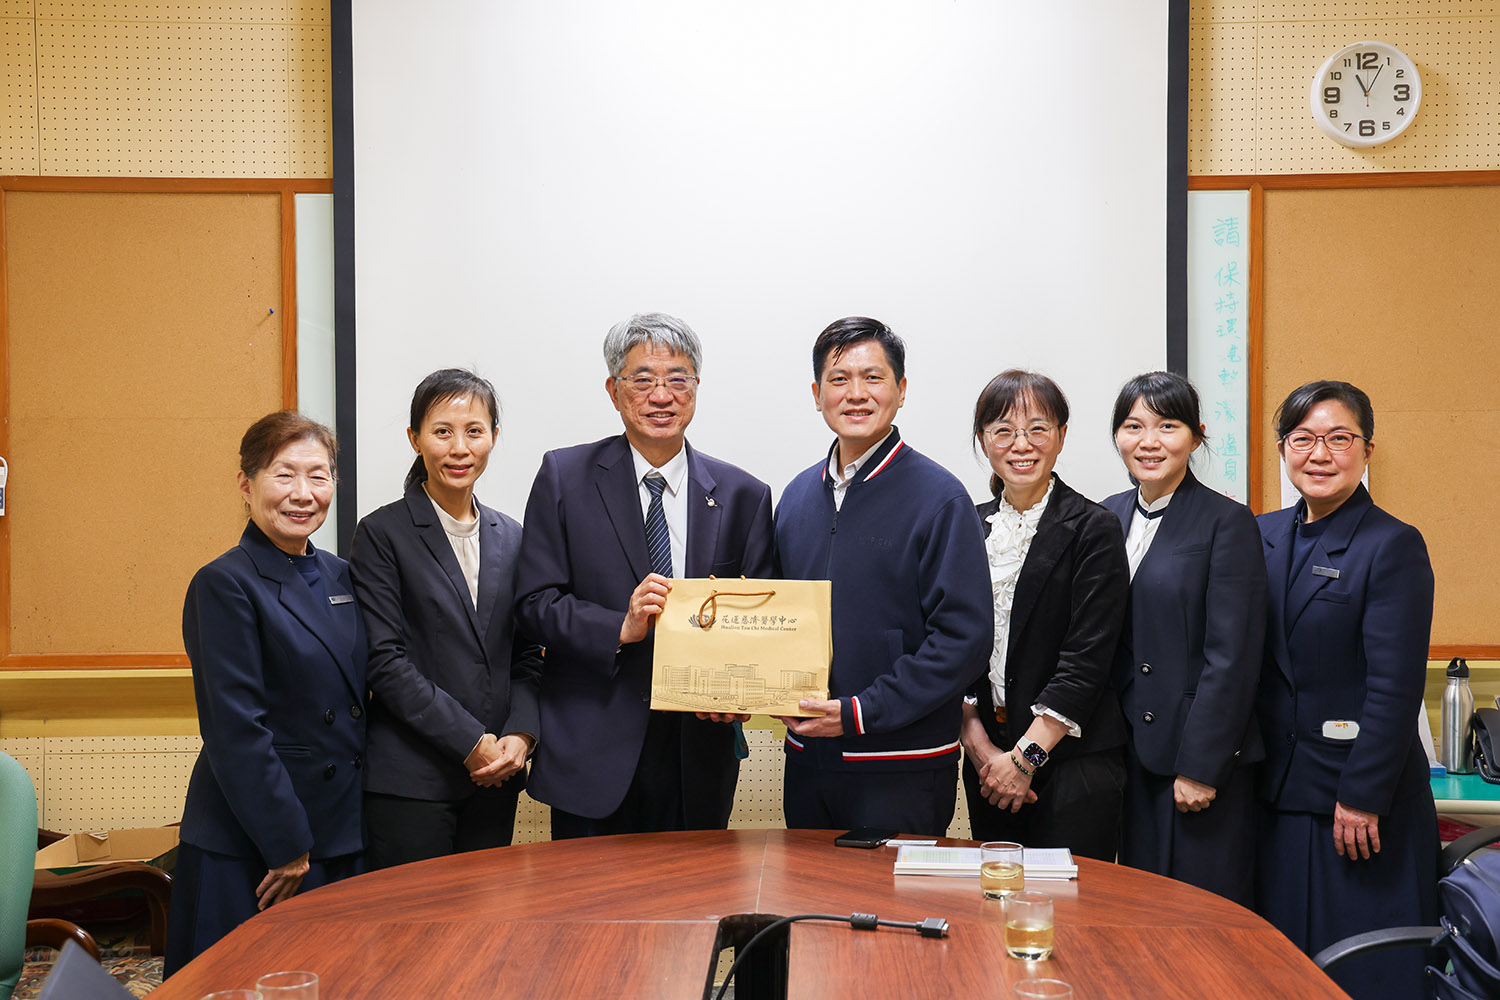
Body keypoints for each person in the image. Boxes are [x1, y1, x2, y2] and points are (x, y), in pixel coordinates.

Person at [514, 313, 774, 838]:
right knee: (593, 917)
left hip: (697, 753)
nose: (662, 395)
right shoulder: (564, 477)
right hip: (592, 750)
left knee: (693, 913)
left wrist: (742, 696)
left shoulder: (745, 494)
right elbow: (534, 603)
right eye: (643, 379)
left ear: (696, 388)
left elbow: (765, 620)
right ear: (614, 390)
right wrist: (619, 626)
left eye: (678, 378)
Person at [1254, 380, 1437, 1000]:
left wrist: (1361, 796)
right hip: (1277, 797)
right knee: (1284, 970)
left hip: (1355, 808)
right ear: (1284, 450)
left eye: (1339, 438)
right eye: (1303, 439)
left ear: (1368, 450)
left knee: (1362, 973)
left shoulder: (1392, 544)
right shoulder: (1262, 535)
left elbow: (1395, 685)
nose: (1320, 454)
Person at [774, 317, 991, 837]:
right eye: (838, 379)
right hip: (807, 761)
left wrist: (857, 713)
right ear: (816, 393)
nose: (855, 393)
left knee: (893, 917)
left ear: (900, 389)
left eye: (872, 377)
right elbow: (775, 620)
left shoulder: (940, 497)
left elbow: (964, 640)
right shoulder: (797, 496)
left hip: (901, 766)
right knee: (810, 913)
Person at [166, 412, 365, 975]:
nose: (304, 494)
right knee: (240, 983)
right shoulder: (223, 582)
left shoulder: (341, 575)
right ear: (246, 483)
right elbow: (235, 730)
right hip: (261, 842)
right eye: (285, 475)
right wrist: (287, 844)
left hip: (337, 831)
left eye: (319, 476)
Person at [349, 369, 541, 869]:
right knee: (414, 938)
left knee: (483, 934)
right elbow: (384, 660)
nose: (460, 448)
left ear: (494, 438)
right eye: (442, 431)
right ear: (415, 439)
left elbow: (527, 654)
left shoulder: (514, 536)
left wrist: (520, 736)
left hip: (496, 776)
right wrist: (469, 742)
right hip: (411, 782)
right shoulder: (381, 533)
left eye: (474, 431)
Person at [1101, 371, 1265, 902]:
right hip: (1122, 752)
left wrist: (1201, 766)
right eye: (1133, 426)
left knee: (1197, 915)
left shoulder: (1227, 522)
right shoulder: (1108, 515)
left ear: (1195, 437)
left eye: (1166, 426)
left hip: (1193, 759)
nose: (1148, 442)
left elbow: (1233, 656)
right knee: (1136, 908)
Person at [957, 370, 1129, 859]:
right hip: (989, 763)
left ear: (1061, 437)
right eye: (1004, 430)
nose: (1021, 444)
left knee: (1072, 917)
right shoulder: (969, 524)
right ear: (983, 440)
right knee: (995, 907)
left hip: (1074, 764)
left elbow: (1086, 659)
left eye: (1038, 428)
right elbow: (956, 644)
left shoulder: (1094, 527)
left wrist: (1025, 760)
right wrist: (981, 749)